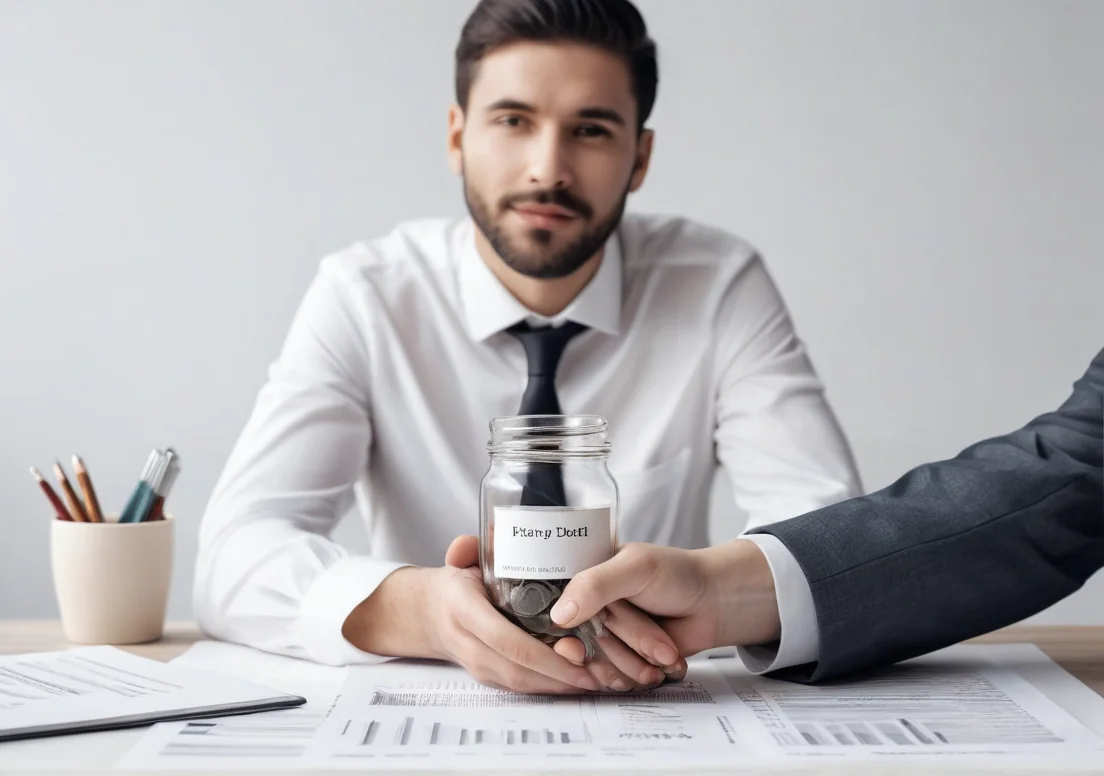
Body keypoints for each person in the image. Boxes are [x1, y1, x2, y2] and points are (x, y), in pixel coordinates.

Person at [194, 0, 863, 693]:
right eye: (513, 121)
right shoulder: (366, 296)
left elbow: (831, 539)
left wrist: (706, 594)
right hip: (433, 709)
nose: (549, 168)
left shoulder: (718, 286)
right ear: (457, 136)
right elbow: (234, 558)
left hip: (659, 703)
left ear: (641, 157)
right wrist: (421, 612)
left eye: (592, 130)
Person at [533, 346, 1103, 682]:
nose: (546, 168)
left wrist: (724, 591)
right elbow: (1081, 467)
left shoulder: (712, 270)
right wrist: (728, 594)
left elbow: (1077, 472)